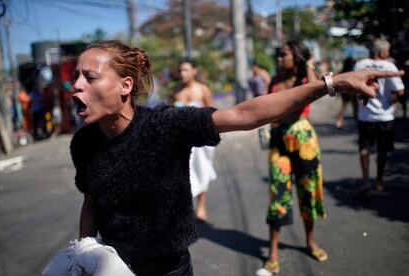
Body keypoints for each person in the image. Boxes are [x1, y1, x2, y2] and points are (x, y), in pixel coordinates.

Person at [43, 40, 402, 276]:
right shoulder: (83, 144)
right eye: (76, 76)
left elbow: (246, 114)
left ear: (125, 85)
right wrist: (83, 254)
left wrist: (331, 83)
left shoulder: (167, 126)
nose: (76, 85)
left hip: (170, 269)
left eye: (89, 77)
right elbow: (92, 201)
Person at [256, 40, 326, 276]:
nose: (278, 59)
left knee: (307, 192)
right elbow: (267, 107)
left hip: (303, 140)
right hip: (279, 142)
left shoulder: (304, 81)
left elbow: (317, 87)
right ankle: (273, 252)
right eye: (278, 55)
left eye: (283, 55)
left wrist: (308, 63)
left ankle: (310, 241)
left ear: (296, 57)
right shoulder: (275, 82)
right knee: (278, 194)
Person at [354, 39, 405, 195]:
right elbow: (400, 91)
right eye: (387, 50)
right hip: (385, 116)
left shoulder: (360, 65)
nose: (388, 53)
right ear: (381, 52)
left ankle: (365, 182)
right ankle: (379, 181)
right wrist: (390, 102)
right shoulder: (389, 66)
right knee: (382, 151)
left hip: (364, 115)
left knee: (364, 149)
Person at [171, 59, 217, 222]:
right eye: (180, 70)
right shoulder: (175, 91)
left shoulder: (202, 90)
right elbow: (170, 114)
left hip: (201, 140)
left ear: (194, 71)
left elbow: (213, 113)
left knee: (202, 171)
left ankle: (201, 206)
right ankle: (185, 208)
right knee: (181, 174)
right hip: (181, 140)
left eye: (186, 70)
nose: (183, 73)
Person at [335, 56, 358, 128]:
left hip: (344, 91)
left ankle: (339, 121)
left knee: (344, 107)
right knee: (355, 107)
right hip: (352, 91)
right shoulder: (353, 71)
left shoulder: (342, 72)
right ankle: (357, 121)